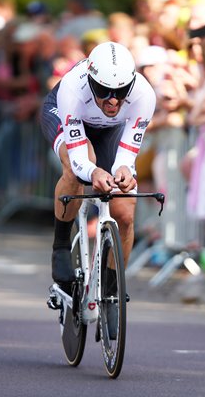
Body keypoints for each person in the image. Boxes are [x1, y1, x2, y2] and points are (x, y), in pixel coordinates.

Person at [40, 42, 156, 300]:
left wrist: (124, 171)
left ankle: (112, 291)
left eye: (121, 91)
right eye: (104, 91)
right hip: (66, 116)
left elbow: (126, 157)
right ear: (92, 81)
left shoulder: (144, 95)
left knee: (124, 211)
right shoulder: (72, 88)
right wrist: (94, 172)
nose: (113, 100)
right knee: (75, 166)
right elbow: (81, 158)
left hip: (108, 130)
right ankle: (60, 244)